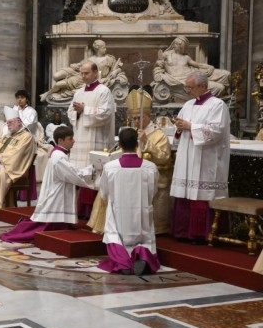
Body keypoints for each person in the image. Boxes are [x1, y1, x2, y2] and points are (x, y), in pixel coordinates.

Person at [89, 89, 173, 234]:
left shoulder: (159, 135)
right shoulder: (132, 132)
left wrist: (147, 142)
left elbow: (164, 157)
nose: (136, 121)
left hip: (150, 177)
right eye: (134, 118)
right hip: (128, 174)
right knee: (108, 186)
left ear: (148, 116)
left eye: (139, 118)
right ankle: (105, 225)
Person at [0, 126, 95, 243]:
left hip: (56, 189)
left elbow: (71, 171)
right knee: (43, 224)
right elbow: (74, 174)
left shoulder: (59, 154)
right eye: (70, 139)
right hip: (56, 193)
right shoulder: (59, 157)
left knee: (47, 222)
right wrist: (91, 170)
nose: (73, 141)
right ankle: (18, 232)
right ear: (60, 141)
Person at [169, 71, 231, 242]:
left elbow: (216, 131)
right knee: (185, 192)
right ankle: (182, 231)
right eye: (187, 87)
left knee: (201, 193)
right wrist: (179, 127)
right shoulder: (188, 104)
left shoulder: (217, 105)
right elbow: (179, 128)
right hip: (187, 155)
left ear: (203, 86)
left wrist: (191, 126)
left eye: (190, 87)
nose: (187, 91)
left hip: (206, 159)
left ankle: (200, 233)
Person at [97, 128, 161, 275]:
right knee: (144, 238)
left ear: (119, 145)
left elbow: (104, 193)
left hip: (118, 212)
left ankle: (123, 262)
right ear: (137, 144)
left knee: (114, 234)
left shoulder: (110, 167)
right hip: (142, 212)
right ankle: (142, 255)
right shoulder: (150, 167)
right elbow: (153, 192)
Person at [67, 61, 116, 219]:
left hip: (96, 139)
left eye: (86, 73)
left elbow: (105, 113)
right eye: (81, 73)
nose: (83, 76)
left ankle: (92, 212)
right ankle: (78, 209)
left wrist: (85, 109)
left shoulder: (104, 91)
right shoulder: (79, 92)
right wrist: (77, 112)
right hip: (80, 138)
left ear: (95, 72)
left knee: (94, 175)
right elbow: (70, 112)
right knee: (80, 173)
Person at [40, 40, 128, 103]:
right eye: (103, 48)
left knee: (59, 84)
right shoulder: (90, 59)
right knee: (57, 80)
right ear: (98, 49)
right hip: (81, 77)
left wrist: (115, 72)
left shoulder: (109, 58)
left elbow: (118, 68)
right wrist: (75, 66)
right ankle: (47, 93)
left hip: (92, 80)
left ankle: (47, 94)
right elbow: (80, 66)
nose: (105, 49)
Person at [152, 36, 230, 102]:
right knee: (219, 87)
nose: (175, 45)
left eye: (178, 44)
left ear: (183, 46)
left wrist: (211, 67)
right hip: (182, 80)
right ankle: (207, 101)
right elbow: (158, 64)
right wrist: (158, 64)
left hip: (193, 75)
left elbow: (198, 65)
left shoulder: (186, 57)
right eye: (175, 43)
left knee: (226, 74)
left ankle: (214, 99)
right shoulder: (167, 54)